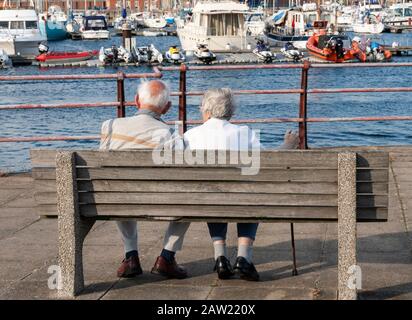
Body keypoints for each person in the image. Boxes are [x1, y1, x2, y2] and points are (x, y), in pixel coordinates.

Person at [183, 88, 300, 281]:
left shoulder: (191, 135)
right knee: (250, 194)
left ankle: (220, 257)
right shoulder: (244, 133)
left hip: (205, 200)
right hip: (242, 199)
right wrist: (288, 145)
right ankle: (243, 258)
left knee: (213, 191)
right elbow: (267, 161)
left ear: (207, 111)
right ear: (230, 112)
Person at [100, 80, 190, 279]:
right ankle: (166, 257)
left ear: (136, 101)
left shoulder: (110, 126)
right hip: (158, 202)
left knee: (118, 185)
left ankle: (131, 256)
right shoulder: (172, 135)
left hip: (115, 200)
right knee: (190, 200)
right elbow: (183, 176)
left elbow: (102, 165)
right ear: (166, 108)